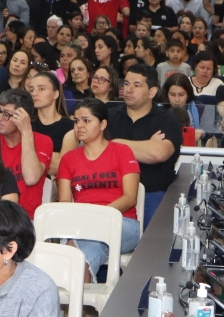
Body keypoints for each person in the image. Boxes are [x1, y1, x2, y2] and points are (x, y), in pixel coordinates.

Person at [57, 99, 142, 274]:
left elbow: (130, 198)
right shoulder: (68, 159)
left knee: (73, 249)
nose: (79, 126)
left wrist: (97, 217)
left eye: (86, 121)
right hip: (83, 226)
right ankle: (83, 300)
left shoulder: (122, 151)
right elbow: (65, 202)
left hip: (122, 223)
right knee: (82, 254)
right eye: (76, 121)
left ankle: (73, 300)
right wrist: (88, 221)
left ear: (103, 124)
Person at [107, 63, 183, 223]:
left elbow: (158, 153)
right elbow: (94, 149)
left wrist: (114, 144)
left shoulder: (167, 120)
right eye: (126, 83)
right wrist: (146, 145)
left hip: (153, 192)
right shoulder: (108, 116)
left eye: (136, 85)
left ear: (152, 91)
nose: (128, 89)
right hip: (113, 191)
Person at [0, 88, 53, 217]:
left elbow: (31, 178)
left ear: (23, 117)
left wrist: (26, 130)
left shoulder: (43, 141)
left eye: (6, 114)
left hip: (25, 218)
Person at [26, 74, 73, 173]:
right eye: (31, 90)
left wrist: (32, 157)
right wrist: (52, 155)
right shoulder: (26, 123)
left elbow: (63, 166)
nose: (34, 93)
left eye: (41, 89)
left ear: (56, 94)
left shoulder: (69, 126)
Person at [163, 77, 199, 146]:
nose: (177, 100)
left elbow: (209, 131)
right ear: (167, 94)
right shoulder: (158, 110)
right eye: (172, 95)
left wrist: (202, 133)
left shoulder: (199, 107)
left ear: (188, 94)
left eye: (181, 95)